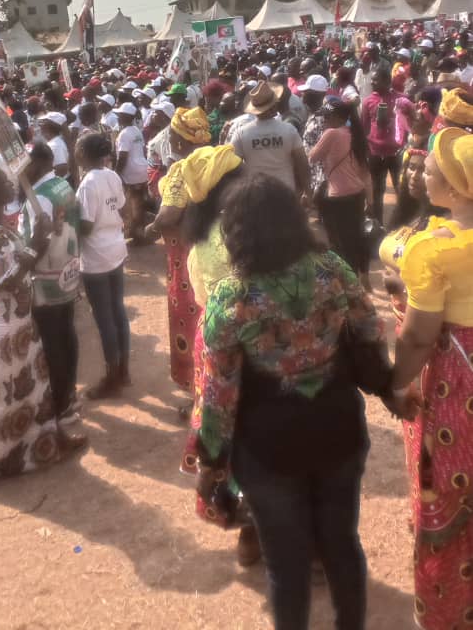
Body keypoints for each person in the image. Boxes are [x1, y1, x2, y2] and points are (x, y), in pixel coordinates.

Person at [196, 174, 410, 630]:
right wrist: (386, 384)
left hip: (267, 447)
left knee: (285, 566)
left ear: (235, 232)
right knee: (341, 546)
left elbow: (220, 392)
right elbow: (370, 330)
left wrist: (210, 461)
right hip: (337, 427)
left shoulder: (230, 298)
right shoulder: (330, 268)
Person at [391, 129, 473, 630]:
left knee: (451, 485)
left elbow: (420, 336)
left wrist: (398, 383)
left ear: (460, 190)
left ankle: (451, 608)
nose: (422, 173)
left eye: (431, 170)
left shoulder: (434, 252)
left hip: (457, 385)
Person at [0, 162, 86, 480]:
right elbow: (4, 282)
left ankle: (23, 451)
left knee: (18, 393)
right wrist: (38, 242)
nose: (9, 181)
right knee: (16, 392)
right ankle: (18, 455)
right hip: (8, 328)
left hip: (11, 323)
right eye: (1, 180)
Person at [145, 108, 211, 396]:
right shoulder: (220, 160)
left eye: (172, 135)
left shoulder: (181, 170)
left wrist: (150, 229)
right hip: (215, 249)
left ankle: (197, 388)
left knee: (190, 316)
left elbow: (168, 215)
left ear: (181, 141)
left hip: (186, 259)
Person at [22, 141, 81, 424]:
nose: (22, 169)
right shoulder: (61, 184)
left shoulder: (41, 197)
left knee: (52, 341)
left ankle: (60, 403)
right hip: (67, 271)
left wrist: (26, 264)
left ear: (39, 163)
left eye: (26, 163)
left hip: (46, 279)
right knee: (66, 333)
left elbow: (39, 241)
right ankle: (69, 393)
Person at [76, 133, 130, 398]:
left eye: (78, 146)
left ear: (85, 153)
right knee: (118, 309)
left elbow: (85, 226)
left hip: (96, 257)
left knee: (104, 317)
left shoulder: (87, 184)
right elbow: (120, 205)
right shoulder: (111, 175)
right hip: (116, 249)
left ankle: (112, 377)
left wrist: (66, 228)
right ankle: (124, 371)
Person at [307, 97, 373, 289]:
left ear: (336, 117)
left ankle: (347, 284)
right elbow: (365, 172)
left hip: (336, 197)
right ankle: (361, 277)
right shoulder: (356, 135)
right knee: (356, 237)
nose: (324, 121)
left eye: (326, 117)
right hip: (357, 193)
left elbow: (312, 157)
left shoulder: (332, 134)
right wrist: (370, 200)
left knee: (338, 243)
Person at [230, 82, 312, 199]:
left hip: (256, 194)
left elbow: (233, 165)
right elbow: (302, 163)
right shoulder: (289, 130)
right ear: (273, 106)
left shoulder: (241, 133)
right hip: (285, 193)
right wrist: (307, 191)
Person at [362, 70, 414, 224]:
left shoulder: (402, 100)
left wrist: (392, 122)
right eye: (372, 80)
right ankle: (378, 225)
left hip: (396, 153)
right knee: (377, 191)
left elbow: (411, 125)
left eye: (375, 80)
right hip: (375, 153)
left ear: (387, 81)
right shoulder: (367, 102)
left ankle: (404, 224)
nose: (372, 83)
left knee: (402, 190)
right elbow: (363, 128)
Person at [114, 101, 148, 241]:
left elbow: (122, 157)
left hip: (130, 174)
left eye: (120, 115)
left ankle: (137, 235)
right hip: (142, 170)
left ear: (125, 116)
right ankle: (139, 232)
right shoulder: (136, 131)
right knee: (140, 203)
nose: (118, 117)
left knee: (132, 204)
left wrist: (115, 174)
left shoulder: (124, 134)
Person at [39, 112, 70, 178]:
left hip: (61, 183)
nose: (41, 124)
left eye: (44, 122)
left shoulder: (55, 145)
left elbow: (62, 169)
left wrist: (46, 179)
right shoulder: (55, 141)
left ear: (49, 126)